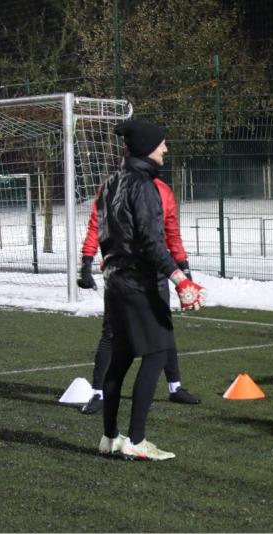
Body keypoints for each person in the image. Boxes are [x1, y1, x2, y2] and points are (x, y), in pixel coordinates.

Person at [95, 119, 206, 461]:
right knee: (157, 354)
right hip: (139, 282)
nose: (166, 149)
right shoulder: (144, 186)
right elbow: (150, 241)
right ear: (147, 147)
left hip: (114, 281)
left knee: (122, 358)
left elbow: (103, 232)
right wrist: (180, 279)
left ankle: (110, 437)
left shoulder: (111, 182)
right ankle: (137, 440)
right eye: (161, 144)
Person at [77, 169, 200, 414]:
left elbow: (172, 232)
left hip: (153, 275)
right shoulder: (111, 187)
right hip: (121, 276)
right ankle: (98, 394)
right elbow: (96, 224)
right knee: (112, 332)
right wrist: (87, 261)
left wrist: (183, 267)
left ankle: (175, 388)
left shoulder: (162, 190)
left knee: (163, 328)